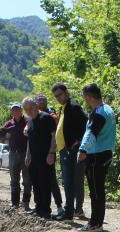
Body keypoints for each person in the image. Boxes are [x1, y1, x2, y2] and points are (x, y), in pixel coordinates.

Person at [77, 83, 116, 232]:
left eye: (85, 97)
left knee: (95, 191)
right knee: (98, 189)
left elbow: (91, 133)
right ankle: (97, 222)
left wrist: (82, 149)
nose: (85, 100)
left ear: (89, 96)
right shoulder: (109, 109)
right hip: (105, 153)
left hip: (97, 155)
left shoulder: (99, 113)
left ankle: (95, 224)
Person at [50, 83, 88, 221]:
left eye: (60, 94)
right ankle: (68, 211)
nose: (58, 98)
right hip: (65, 150)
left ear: (66, 92)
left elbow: (86, 124)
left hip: (71, 150)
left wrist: (77, 140)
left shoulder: (73, 106)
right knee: (67, 182)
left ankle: (69, 212)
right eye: (56, 96)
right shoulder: (65, 108)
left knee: (70, 182)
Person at [22, 96, 58, 218]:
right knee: (36, 184)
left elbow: (54, 136)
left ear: (36, 106)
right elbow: (29, 140)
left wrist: (51, 153)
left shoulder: (46, 118)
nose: (29, 111)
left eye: (30, 108)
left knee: (45, 184)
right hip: (33, 158)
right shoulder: (30, 121)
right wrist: (27, 155)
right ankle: (38, 208)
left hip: (46, 157)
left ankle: (45, 210)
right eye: (26, 109)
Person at [35, 93, 65, 217]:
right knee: (37, 180)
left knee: (52, 180)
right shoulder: (34, 114)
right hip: (38, 152)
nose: (42, 102)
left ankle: (59, 207)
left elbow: (56, 122)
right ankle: (40, 206)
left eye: (44, 100)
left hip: (49, 151)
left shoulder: (50, 112)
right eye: (39, 100)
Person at [0, 102, 31, 210]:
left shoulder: (27, 121)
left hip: (25, 153)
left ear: (21, 110)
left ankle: (26, 203)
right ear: (11, 111)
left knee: (27, 180)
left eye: (17, 109)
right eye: (13, 110)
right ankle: (14, 203)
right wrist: (7, 137)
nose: (15, 111)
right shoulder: (9, 123)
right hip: (13, 154)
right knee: (14, 180)